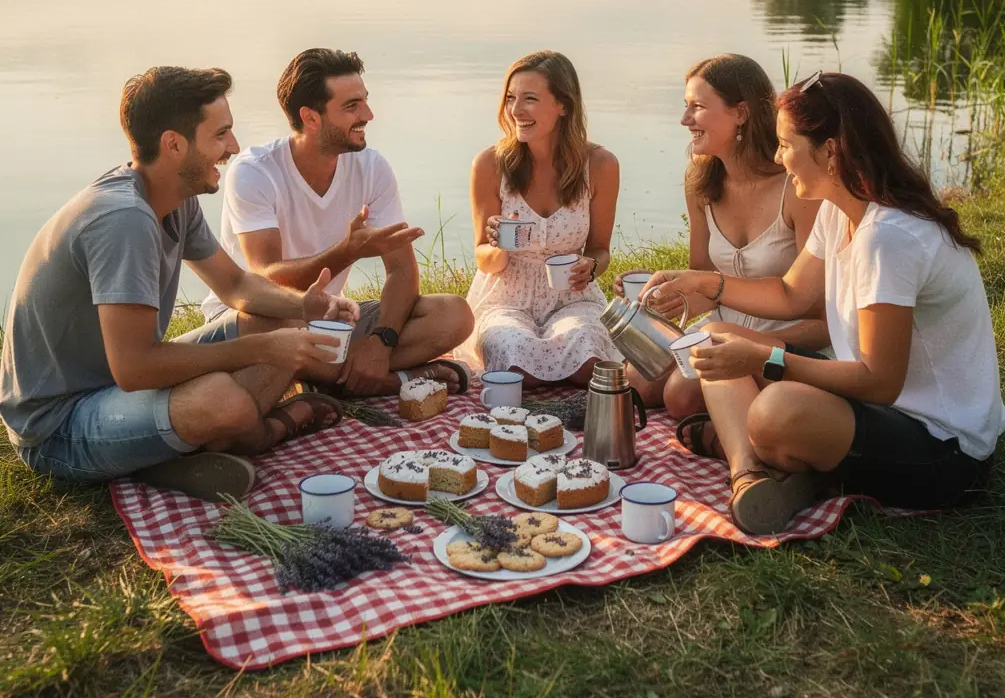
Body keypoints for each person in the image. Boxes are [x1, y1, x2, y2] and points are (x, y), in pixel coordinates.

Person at [643, 72, 1005, 535]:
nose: (777, 158)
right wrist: (705, 283)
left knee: (775, 412)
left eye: (785, 144)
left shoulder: (888, 238)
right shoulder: (842, 209)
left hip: (943, 449)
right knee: (716, 339)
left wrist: (763, 358)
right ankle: (749, 474)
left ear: (830, 151)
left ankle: (786, 464)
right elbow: (791, 294)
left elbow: (879, 382)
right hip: (881, 412)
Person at [0, 66, 361, 502]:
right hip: (58, 425)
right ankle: (259, 434)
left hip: (115, 392)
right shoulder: (123, 220)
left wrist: (305, 305)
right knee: (218, 399)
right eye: (221, 135)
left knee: (271, 316)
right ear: (174, 144)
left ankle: (176, 449)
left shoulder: (172, 199)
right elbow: (134, 369)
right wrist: (264, 350)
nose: (233, 147)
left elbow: (235, 284)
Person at [201, 49, 474, 397]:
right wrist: (346, 252)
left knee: (454, 314)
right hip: (261, 319)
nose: (369, 115)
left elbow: (402, 271)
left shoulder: (371, 168)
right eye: (352, 107)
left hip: (331, 322)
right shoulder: (255, 171)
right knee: (284, 325)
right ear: (311, 117)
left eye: (365, 101)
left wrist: (381, 341)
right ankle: (396, 381)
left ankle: (330, 378)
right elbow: (265, 279)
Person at [614, 55, 829, 427]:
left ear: (741, 113)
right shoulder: (702, 180)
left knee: (680, 394)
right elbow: (704, 281)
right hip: (719, 327)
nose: (684, 120)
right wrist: (665, 292)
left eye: (697, 107)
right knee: (637, 381)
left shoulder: (796, 188)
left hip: (787, 336)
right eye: (685, 107)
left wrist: (739, 338)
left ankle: (739, 424)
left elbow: (822, 318)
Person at [456, 50, 621, 384]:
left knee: (589, 358)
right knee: (514, 362)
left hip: (572, 300)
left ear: (564, 106)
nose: (516, 111)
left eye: (529, 99)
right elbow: (484, 259)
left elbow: (600, 250)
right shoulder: (489, 164)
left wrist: (590, 267)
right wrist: (499, 245)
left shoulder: (601, 165)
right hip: (504, 299)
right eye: (510, 98)